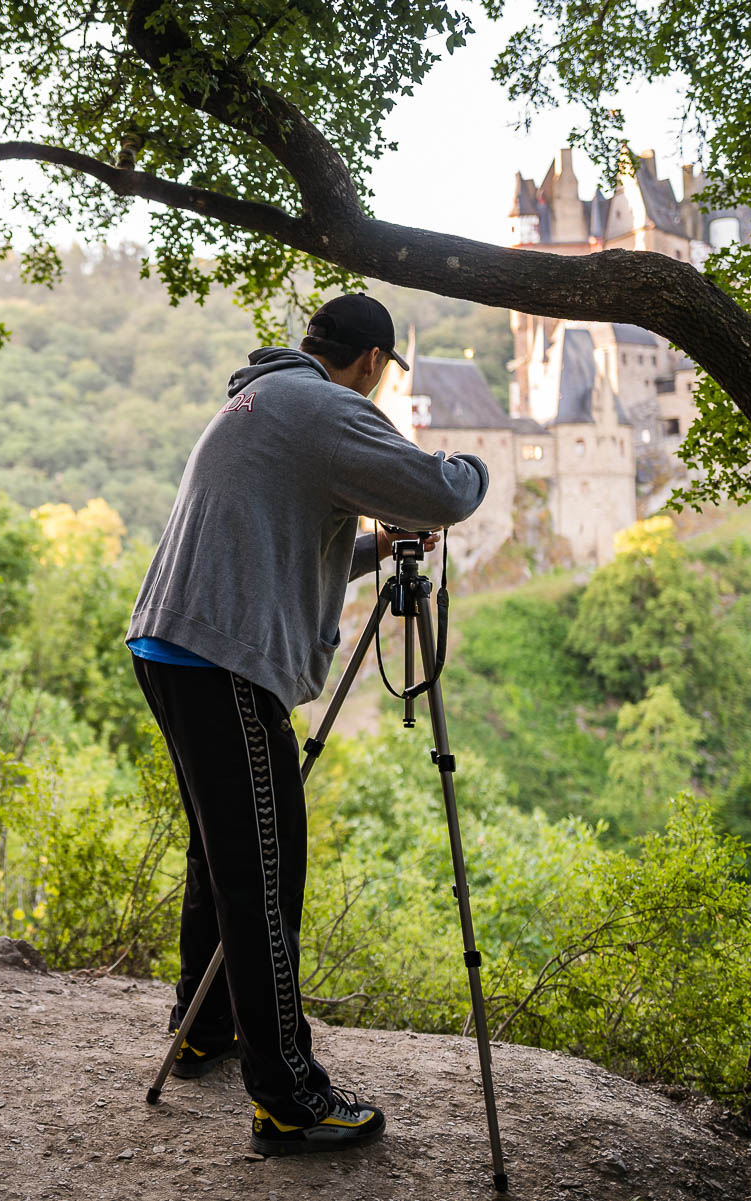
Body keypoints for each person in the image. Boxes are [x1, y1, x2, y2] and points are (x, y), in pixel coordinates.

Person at [124, 292, 490, 1156]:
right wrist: (474, 464)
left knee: (223, 854)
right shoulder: (327, 406)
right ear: (372, 363)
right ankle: (288, 1096)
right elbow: (446, 493)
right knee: (266, 872)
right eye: (382, 375)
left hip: (172, 644)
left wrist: (370, 550)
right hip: (224, 663)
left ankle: (206, 1024)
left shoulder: (262, 395)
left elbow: (283, 534)